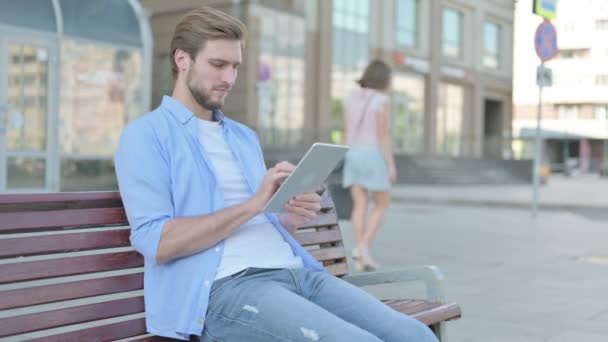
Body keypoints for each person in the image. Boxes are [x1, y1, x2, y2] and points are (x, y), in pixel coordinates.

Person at [114, 6, 437, 342]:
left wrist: (290, 213)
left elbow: (258, 218)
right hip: (228, 289)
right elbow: (156, 242)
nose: (229, 78)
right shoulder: (145, 136)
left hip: (299, 275)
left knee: (417, 336)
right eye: (217, 64)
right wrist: (254, 204)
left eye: (235, 66)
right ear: (183, 60)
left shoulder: (242, 136)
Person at [342, 60, 396, 271]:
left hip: (353, 154)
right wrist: (390, 164)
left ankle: (361, 256)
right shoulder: (382, 100)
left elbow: (346, 130)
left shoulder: (350, 97)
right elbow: (383, 135)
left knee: (360, 205)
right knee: (382, 204)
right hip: (373, 155)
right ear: (384, 78)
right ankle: (362, 247)